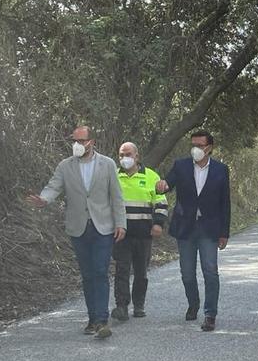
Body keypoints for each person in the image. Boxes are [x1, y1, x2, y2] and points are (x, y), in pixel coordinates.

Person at [27, 126, 126, 339]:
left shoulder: (107, 164)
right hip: (78, 226)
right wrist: (44, 199)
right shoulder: (65, 166)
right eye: (75, 140)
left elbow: (117, 196)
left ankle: (101, 319)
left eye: (82, 140)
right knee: (88, 274)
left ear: (92, 142)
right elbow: (53, 186)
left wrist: (121, 223)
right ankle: (92, 318)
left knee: (100, 271)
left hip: (103, 226)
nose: (78, 144)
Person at [156, 130, 230, 332]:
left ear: (209, 148)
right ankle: (193, 303)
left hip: (209, 228)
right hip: (186, 227)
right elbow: (167, 183)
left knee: (210, 272)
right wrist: (162, 185)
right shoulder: (181, 166)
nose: (195, 149)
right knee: (187, 273)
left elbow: (225, 203)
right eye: (193, 144)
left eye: (200, 145)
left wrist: (224, 232)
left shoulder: (221, 170)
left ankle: (210, 314)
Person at [111, 142, 168, 320]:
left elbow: (161, 202)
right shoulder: (113, 176)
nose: (124, 158)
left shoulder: (151, 176)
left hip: (144, 234)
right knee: (121, 270)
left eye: (128, 154)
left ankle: (139, 304)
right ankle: (121, 306)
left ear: (137, 156)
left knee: (141, 272)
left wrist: (158, 224)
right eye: (121, 155)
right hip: (121, 233)